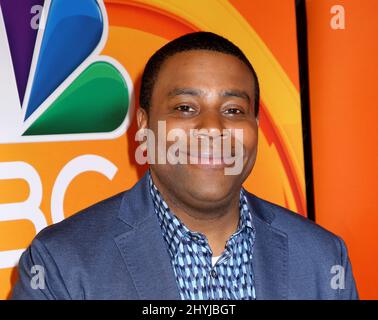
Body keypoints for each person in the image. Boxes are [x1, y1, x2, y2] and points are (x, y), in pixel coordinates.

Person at [12, 32, 358, 300]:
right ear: (144, 127)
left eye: (234, 110)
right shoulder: (60, 263)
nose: (212, 128)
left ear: (255, 128)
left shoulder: (322, 257)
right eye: (186, 108)